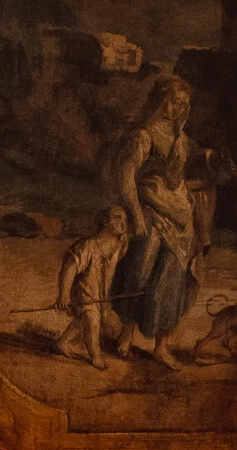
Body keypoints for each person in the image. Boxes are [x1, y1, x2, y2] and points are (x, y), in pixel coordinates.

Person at [108, 77, 214, 369]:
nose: (176, 108)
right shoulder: (144, 134)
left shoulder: (180, 136)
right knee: (140, 271)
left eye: (182, 104)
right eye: (172, 101)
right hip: (152, 212)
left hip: (180, 216)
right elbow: (127, 175)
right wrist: (136, 215)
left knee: (171, 280)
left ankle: (162, 346)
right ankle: (127, 331)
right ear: (158, 99)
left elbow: (187, 168)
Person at [54, 205, 129, 369]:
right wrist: (64, 295)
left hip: (100, 295)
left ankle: (63, 342)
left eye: (125, 219)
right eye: (117, 218)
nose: (123, 223)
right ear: (105, 221)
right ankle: (95, 355)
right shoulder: (89, 245)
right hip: (84, 291)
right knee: (92, 320)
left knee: (85, 320)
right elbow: (70, 267)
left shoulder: (118, 247)